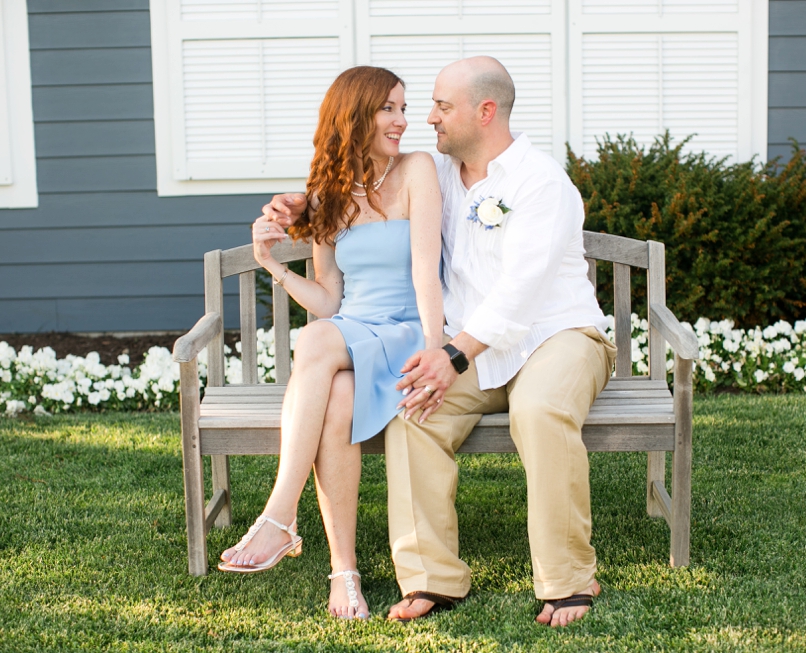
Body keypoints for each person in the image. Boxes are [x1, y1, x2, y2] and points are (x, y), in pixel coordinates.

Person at [266, 56, 615, 628]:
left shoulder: (540, 182)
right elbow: (377, 196)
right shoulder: (443, 178)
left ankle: (568, 579)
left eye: (441, 107)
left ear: (485, 111)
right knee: (411, 410)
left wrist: (450, 355)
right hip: (474, 348)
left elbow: (521, 294)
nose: (427, 118)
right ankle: (432, 578)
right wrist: (306, 206)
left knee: (540, 408)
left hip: (558, 335)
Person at [218, 66, 444, 622]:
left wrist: (437, 351)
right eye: (387, 108)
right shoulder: (327, 195)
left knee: (319, 342)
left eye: (402, 107)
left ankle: (279, 515)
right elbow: (329, 299)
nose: (402, 120)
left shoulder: (418, 169)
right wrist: (272, 264)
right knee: (336, 394)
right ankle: (343, 574)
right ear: (354, 114)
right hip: (350, 334)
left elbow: (425, 274)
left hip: (406, 334)